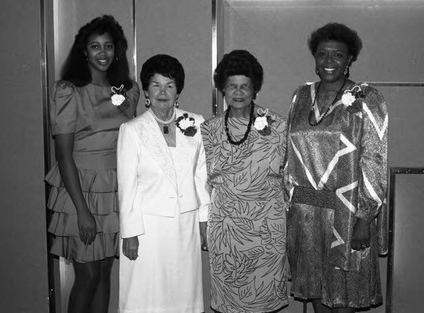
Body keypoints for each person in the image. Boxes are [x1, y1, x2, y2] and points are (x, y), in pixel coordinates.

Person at [284, 23, 389, 313]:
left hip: (347, 214)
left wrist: (365, 218)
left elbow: (375, 159)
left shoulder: (367, 98)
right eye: (322, 54)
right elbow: (289, 156)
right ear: (314, 58)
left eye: (337, 55)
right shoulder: (301, 96)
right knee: (318, 297)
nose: (328, 61)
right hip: (306, 214)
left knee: (344, 300)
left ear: (349, 60)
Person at [45, 15, 139, 313]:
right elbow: (63, 156)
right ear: (83, 51)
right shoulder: (69, 91)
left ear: (117, 51)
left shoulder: (127, 92)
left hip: (113, 191)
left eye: (108, 46)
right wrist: (83, 210)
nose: (102, 53)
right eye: (95, 46)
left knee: (104, 273)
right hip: (79, 189)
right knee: (87, 275)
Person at [117, 54, 210, 313]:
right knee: (147, 296)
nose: (162, 92)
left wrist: (205, 220)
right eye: (156, 85)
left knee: (183, 292)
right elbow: (127, 186)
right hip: (148, 229)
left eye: (169, 85)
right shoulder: (132, 130)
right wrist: (130, 232)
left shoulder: (195, 122)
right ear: (146, 89)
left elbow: (201, 175)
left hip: (185, 225)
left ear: (178, 90)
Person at [200, 50, 289, 313]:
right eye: (232, 86)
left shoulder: (279, 126)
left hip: (267, 229)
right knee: (230, 304)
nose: (238, 92)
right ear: (223, 90)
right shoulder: (208, 131)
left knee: (263, 301)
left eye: (245, 86)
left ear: (255, 89)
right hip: (226, 231)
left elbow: (290, 177)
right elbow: (200, 181)